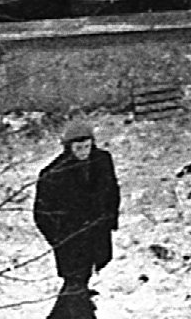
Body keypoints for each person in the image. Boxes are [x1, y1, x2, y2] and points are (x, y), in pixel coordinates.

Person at [32, 114, 120, 319]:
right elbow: (41, 214)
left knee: (79, 281)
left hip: (96, 233)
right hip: (70, 238)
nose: (83, 152)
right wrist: (59, 239)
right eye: (78, 148)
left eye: (87, 147)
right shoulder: (54, 174)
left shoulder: (102, 161)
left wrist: (110, 219)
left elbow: (112, 190)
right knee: (76, 281)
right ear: (68, 148)